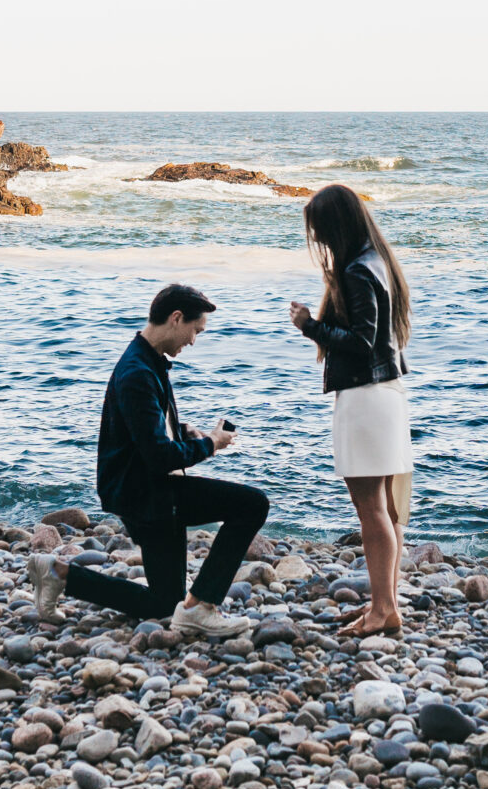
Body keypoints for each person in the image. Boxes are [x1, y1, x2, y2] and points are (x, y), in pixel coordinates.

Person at [28, 282, 268, 638]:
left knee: (162, 603)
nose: (193, 341)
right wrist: (212, 445)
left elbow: (144, 428)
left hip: (138, 489)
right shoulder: (138, 372)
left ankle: (58, 574)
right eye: (194, 330)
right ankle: (202, 607)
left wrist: (185, 431)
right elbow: (159, 458)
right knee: (252, 504)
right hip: (146, 495)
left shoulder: (145, 360)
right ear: (176, 318)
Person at [286, 183, 412, 637]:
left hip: (366, 397)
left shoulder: (359, 271)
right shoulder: (377, 262)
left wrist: (310, 327)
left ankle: (383, 610)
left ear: (337, 226)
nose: (318, 241)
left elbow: (362, 345)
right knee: (384, 511)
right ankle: (386, 607)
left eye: (320, 231)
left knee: (371, 510)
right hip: (384, 395)